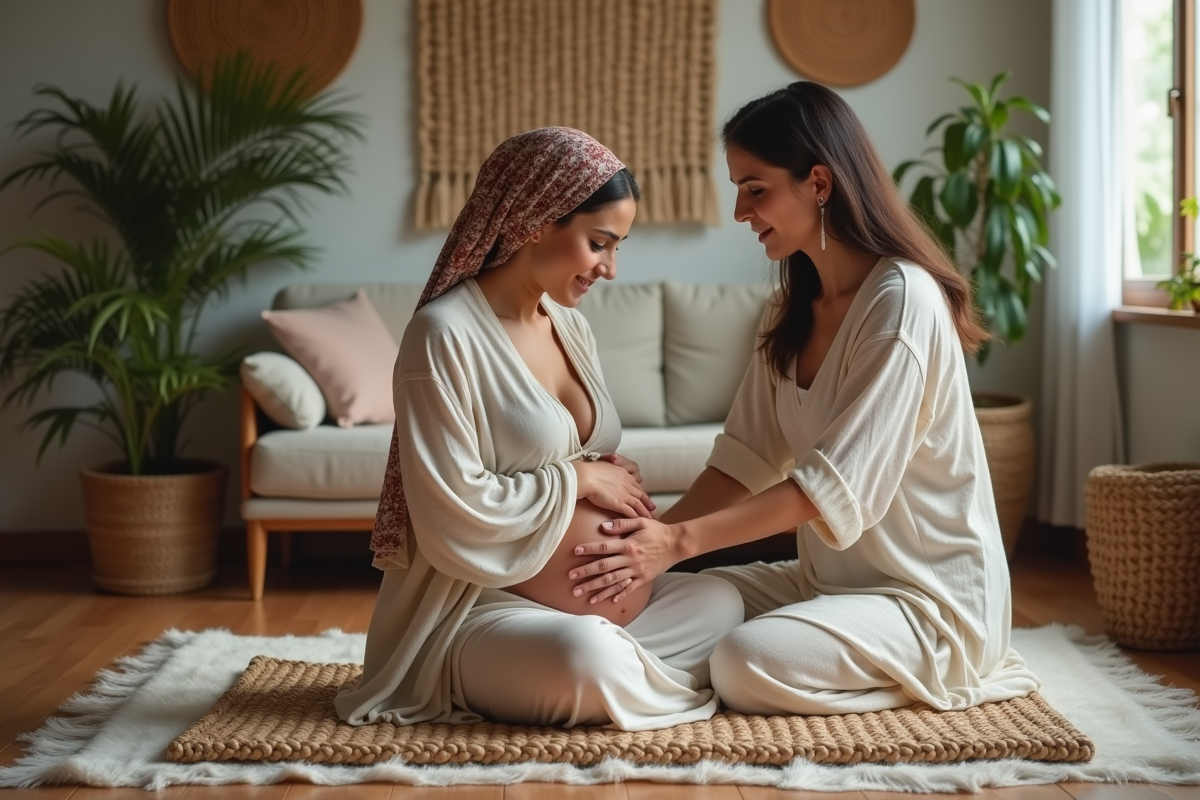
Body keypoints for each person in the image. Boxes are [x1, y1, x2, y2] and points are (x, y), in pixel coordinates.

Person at [567, 83, 1041, 716]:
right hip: (823, 585)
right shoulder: (790, 314)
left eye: (755, 188)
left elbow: (828, 490)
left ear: (819, 182)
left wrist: (675, 544)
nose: (740, 211)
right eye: (738, 188)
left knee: (743, 658)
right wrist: (646, 542)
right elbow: (742, 461)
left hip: (926, 603)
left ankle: (923, 681)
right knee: (671, 600)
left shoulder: (903, 303)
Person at [334, 127, 743, 731]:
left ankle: (619, 674)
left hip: (603, 608)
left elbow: (588, 457)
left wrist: (606, 473)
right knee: (583, 658)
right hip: (483, 609)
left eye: (617, 247)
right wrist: (576, 481)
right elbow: (448, 512)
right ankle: (621, 674)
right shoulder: (444, 336)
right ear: (534, 220)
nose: (609, 269)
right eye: (599, 243)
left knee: (721, 601)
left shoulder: (569, 325)